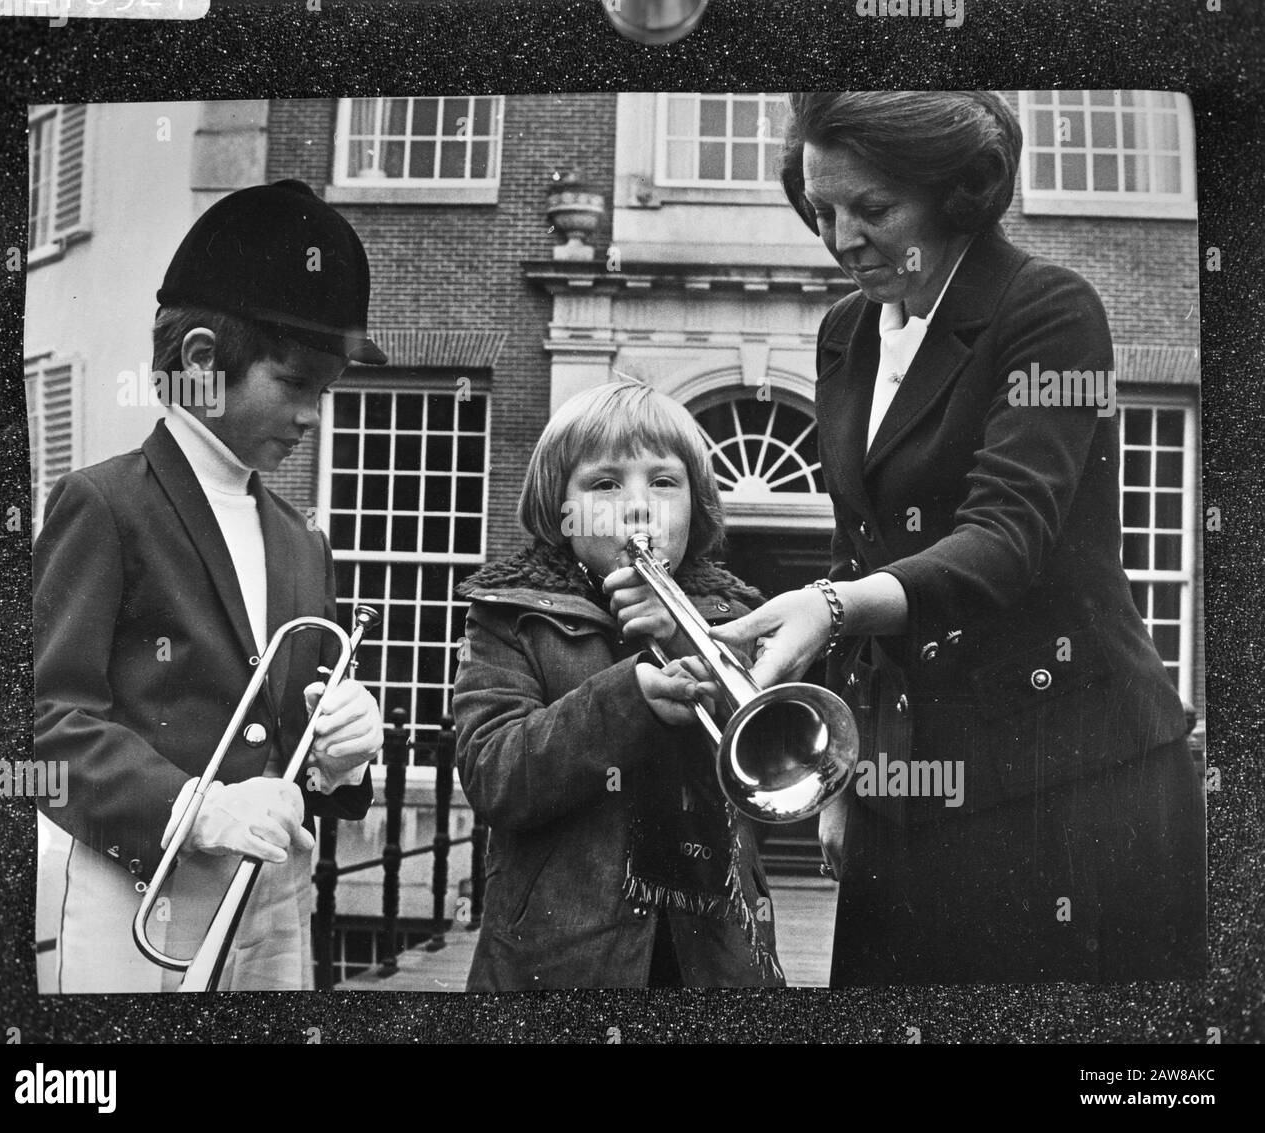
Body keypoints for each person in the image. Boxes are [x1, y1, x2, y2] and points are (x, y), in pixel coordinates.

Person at [708, 91, 1207, 984]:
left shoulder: (1054, 312)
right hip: (910, 786)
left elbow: (1006, 538)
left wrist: (831, 607)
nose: (840, 237)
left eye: (872, 209)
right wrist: (842, 776)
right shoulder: (846, 333)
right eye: (822, 209)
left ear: (956, 194)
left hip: (1073, 776)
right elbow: (857, 548)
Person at [35, 180, 387, 992]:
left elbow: (293, 725)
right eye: (296, 384)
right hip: (141, 890)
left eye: (324, 393)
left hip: (275, 890)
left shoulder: (302, 540)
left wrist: (347, 750)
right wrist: (194, 807)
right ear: (200, 360)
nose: (313, 417)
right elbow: (45, 720)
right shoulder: (105, 501)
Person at [452, 380, 784, 990]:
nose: (640, 507)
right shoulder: (510, 616)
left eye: (664, 482)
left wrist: (692, 643)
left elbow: (774, 769)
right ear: (559, 510)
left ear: (697, 505)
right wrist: (629, 701)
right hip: (562, 955)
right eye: (605, 484)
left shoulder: (740, 620)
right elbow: (493, 774)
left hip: (716, 953)